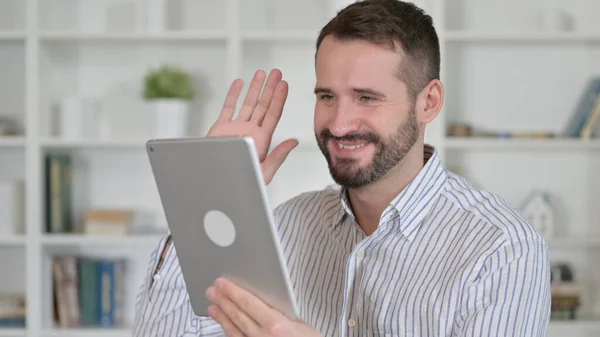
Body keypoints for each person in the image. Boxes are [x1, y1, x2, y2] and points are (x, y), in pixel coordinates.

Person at [133, 0, 551, 336]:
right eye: (327, 96)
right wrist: (207, 197)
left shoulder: (502, 249)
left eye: (366, 97)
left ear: (429, 102)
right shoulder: (284, 227)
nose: (338, 123)